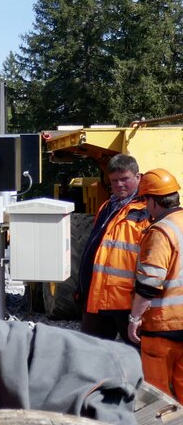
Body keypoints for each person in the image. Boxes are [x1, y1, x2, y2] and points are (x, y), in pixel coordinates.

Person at [78, 153, 151, 343]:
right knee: (92, 353)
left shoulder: (145, 210)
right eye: (114, 180)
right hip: (98, 297)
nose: (119, 184)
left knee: (137, 354)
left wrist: (141, 306)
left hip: (126, 301)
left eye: (124, 179)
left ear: (138, 177)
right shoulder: (107, 207)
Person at [128, 168, 183, 398]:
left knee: (158, 397)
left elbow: (149, 284)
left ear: (152, 201)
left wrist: (134, 319)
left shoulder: (161, 230)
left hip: (163, 327)